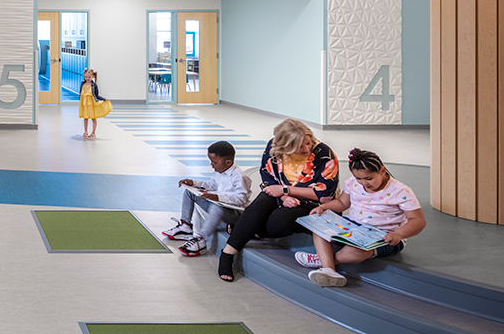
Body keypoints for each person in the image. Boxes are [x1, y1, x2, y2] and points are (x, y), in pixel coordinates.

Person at [218, 118, 339, 282]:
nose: (306, 148)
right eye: (300, 146)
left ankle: (248, 228)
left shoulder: (324, 154)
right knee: (263, 199)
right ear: (286, 146)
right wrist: (283, 196)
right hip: (282, 196)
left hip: (313, 205)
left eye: (308, 143)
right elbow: (267, 177)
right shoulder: (273, 148)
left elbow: (325, 193)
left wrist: (286, 190)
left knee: (279, 221)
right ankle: (227, 254)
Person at [296, 147, 426, 287]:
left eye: (369, 178)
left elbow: (418, 220)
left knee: (355, 253)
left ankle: (322, 260)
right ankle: (329, 270)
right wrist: (323, 207)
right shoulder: (353, 182)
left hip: (384, 235)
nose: (363, 183)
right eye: (359, 178)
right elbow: (341, 203)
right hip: (353, 226)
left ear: (382, 170)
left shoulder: (400, 191)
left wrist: (398, 234)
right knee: (318, 226)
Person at [162, 140, 252, 257]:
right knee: (189, 193)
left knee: (216, 208)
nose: (212, 165)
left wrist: (218, 197)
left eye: (214, 162)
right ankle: (185, 226)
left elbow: (241, 199)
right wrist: (193, 183)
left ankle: (201, 239)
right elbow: (212, 185)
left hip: (234, 215)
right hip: (219, 205)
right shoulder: (220, 171)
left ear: (228, 162)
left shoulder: (239, 176)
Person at [79, 68, 112, 139]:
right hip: (85, 104)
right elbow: (81, 94)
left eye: (89, 77)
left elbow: (96, 95)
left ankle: (93, 133)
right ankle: (85, 132)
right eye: (86, 77)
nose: (87, 78)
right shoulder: (82, 84)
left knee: (93, 118)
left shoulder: (94, 86)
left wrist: (103, 99)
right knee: (85, 118)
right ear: (84, 76)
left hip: (92, 104)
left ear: (93, 77)